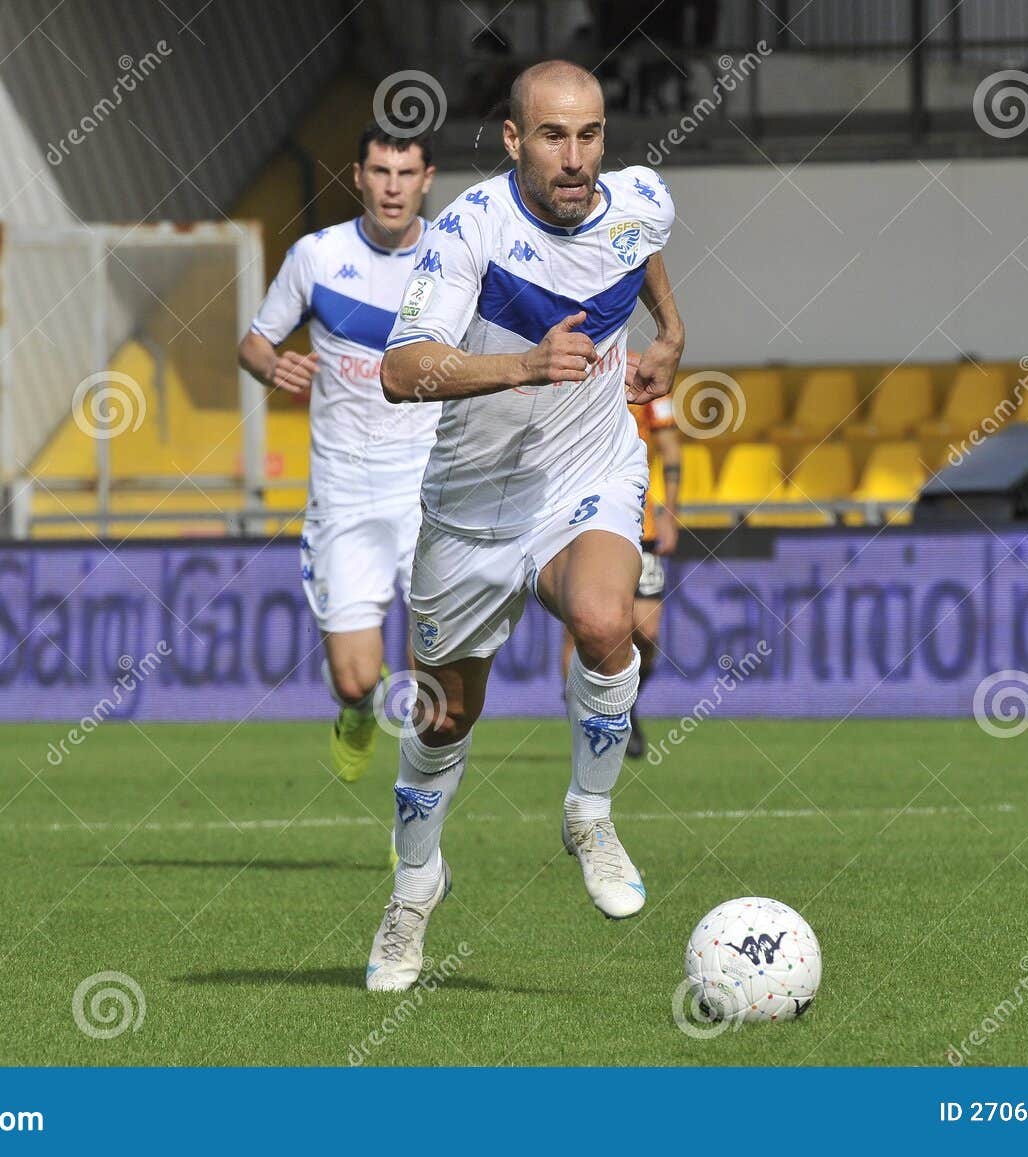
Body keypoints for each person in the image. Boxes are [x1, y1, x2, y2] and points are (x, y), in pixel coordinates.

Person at [366, 60, 685, 991]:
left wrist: (672, 332)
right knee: (442, 715)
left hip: (584, 472)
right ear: (514, 141)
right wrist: (520, 367)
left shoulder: (639, 199)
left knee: (604, 621)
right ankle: (415, 886)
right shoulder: (471, 230)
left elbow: (645, 242)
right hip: (470, 505)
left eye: (589, 136)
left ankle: (589, 814)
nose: (576, 157)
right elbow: (401, 369)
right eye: (554, 137)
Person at [237, 125, 439, 784]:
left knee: (435, 680)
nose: (392, 186)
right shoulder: (316, 257)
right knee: (355, 678)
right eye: (380, 171)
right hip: (344, 489)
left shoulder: (453, 258)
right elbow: (255, 343)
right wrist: (275, 369)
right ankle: (354, 708)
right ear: (357, 175)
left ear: (426, 179)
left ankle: (417, 831)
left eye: (405, 174)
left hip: (429, 486)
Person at [560, 369, 681, 759]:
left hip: (638, 522)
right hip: (580, 520)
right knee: (584, 625)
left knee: (646, 630)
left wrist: (671, 513)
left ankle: (624, 703)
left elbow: (672, 449)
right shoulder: (568, 373)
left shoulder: (644, 376)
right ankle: (587, 718)